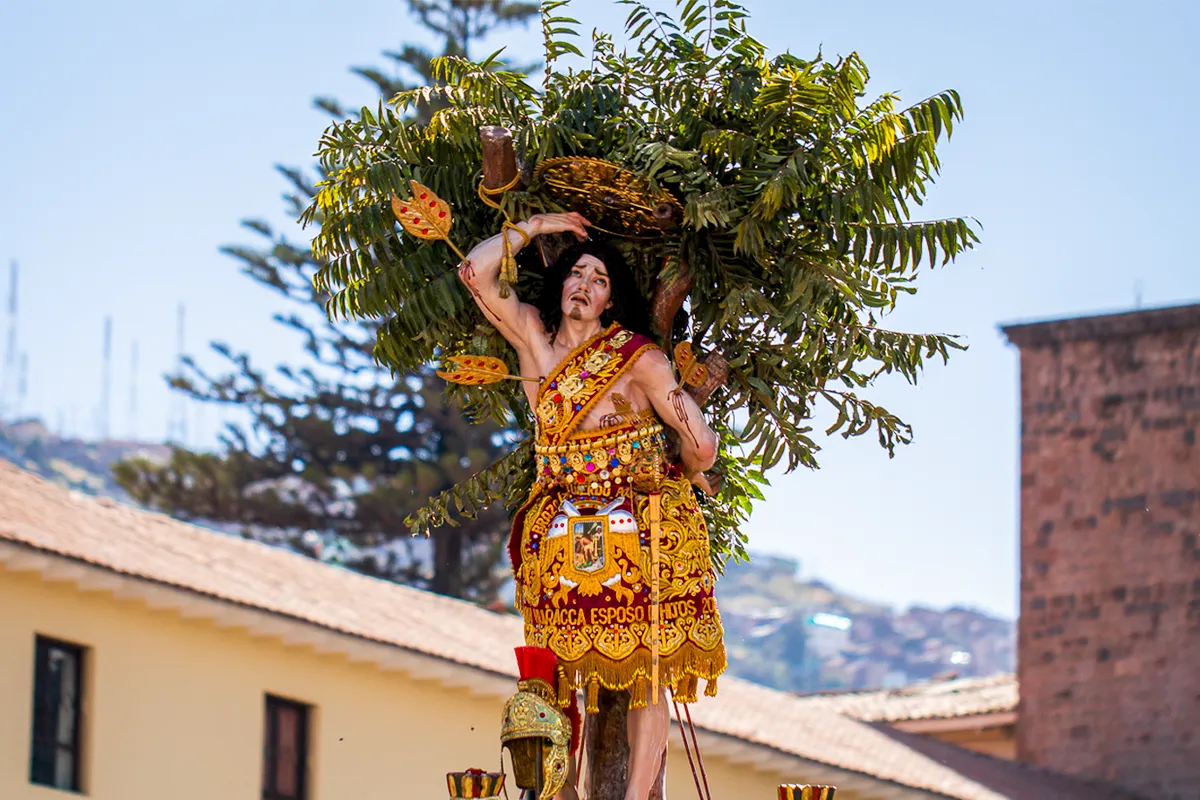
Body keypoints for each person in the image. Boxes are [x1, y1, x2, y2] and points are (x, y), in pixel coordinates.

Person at [458, 212, 726, 800]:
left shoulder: (633, 357)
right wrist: (541, 223)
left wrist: (684, 465)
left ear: (610, 300)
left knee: (628, 669)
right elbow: (474, 272)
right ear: (561, 285)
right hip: (602, 531)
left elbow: (701, 445)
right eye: (577, 273)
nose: (584, 284)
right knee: (620, 669)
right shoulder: (535, 335)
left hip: (592, 531)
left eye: (599, 279)